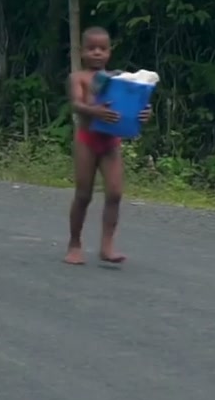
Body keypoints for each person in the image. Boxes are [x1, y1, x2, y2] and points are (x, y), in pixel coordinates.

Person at [64, 26, 152, 266]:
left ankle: (107, 245)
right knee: (83, 194)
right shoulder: (78, 78)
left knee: (114, 193)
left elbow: (136, 102)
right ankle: (74, 243)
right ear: (82, 52)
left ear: (109, 52)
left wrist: (145, 112)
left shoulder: (119, 79)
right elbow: (76, 104)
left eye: (102, 49)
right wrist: (95, 112)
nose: (97, 53)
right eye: (91, 48)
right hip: (87, 139)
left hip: (111, 141)